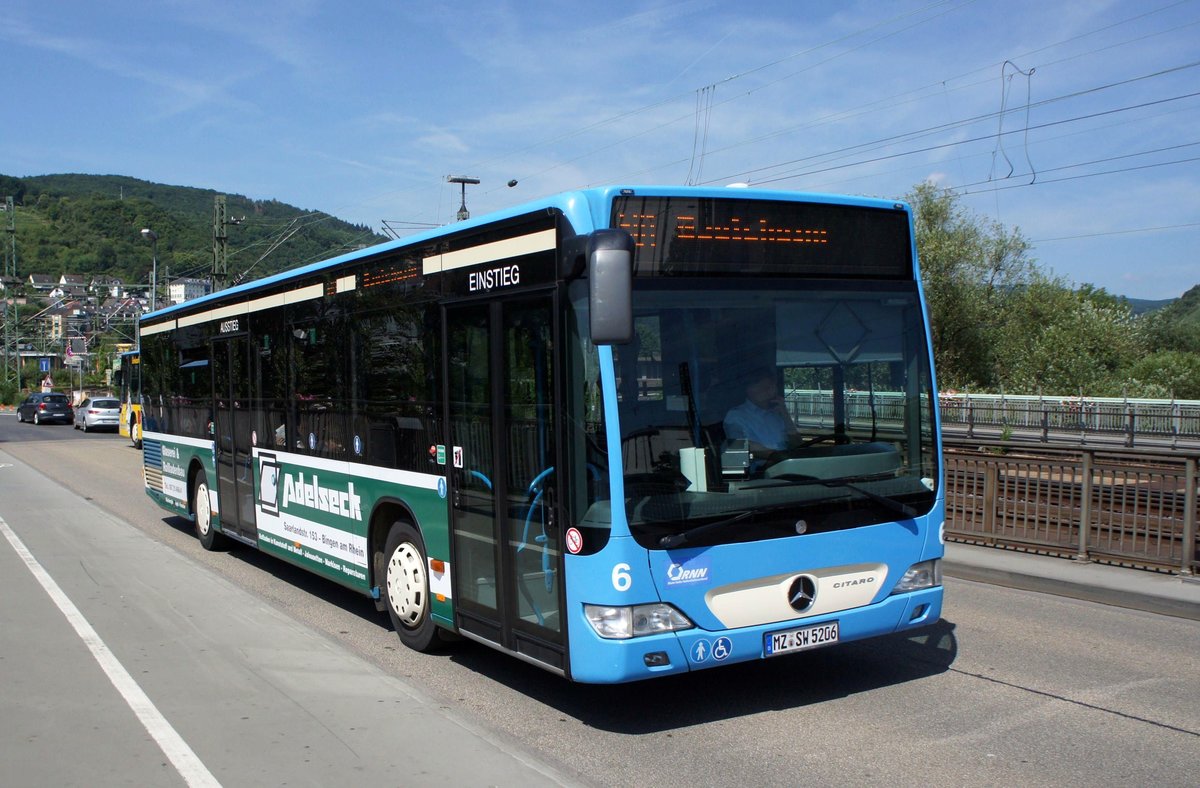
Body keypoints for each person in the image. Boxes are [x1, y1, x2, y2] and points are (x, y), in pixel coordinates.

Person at [723, 368, 800, 454]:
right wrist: (778, 457)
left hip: (784, 464)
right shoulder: (735, 416)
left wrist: (785, 415)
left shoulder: (777, 414)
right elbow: (740, 446)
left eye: (769, 386)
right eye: (758, 385)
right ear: (747, 389)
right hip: (761, 466)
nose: (765, 390)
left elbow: (797, 445)